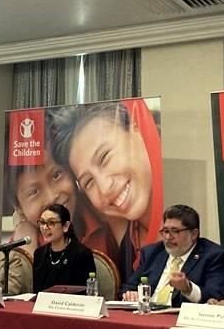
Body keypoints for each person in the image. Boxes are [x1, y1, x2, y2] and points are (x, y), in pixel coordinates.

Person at [48, 98, 164, 284]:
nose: (104, 188)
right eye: (89, 182)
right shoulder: (123, 233)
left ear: (137, 127)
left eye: (104, 158)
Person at [120, 205, 224, 306]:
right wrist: (130, 294)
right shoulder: (152, 253)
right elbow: (128, 287)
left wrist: (188, 288)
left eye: (175, 231)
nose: (168, 237)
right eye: (165, 231)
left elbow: (215, 298)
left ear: (194, 234)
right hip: (146, 315)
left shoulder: (214, 256)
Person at [32, 204, 97, 294]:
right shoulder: (39, 254)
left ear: (65, 226)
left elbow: (85, 292)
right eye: (42, 222)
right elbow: (37, 292)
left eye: (51, 223)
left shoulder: (82, 254)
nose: (44, 228)